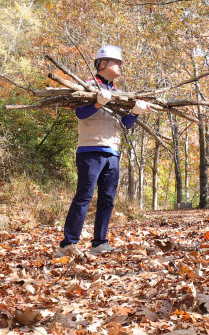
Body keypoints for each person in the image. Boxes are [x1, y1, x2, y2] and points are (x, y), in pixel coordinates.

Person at [56, 45, 148, 257]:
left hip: (113, 152)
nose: (121, 66)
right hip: (90, 150)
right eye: (117, 62)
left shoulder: (119, 94)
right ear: (103, 63)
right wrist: (97, 103)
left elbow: (125, 124)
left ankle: (99, 242)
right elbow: (81, 113)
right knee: (84, 197)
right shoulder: (86, 86)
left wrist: (135, 113)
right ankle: (68, 244)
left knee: (107, 199)